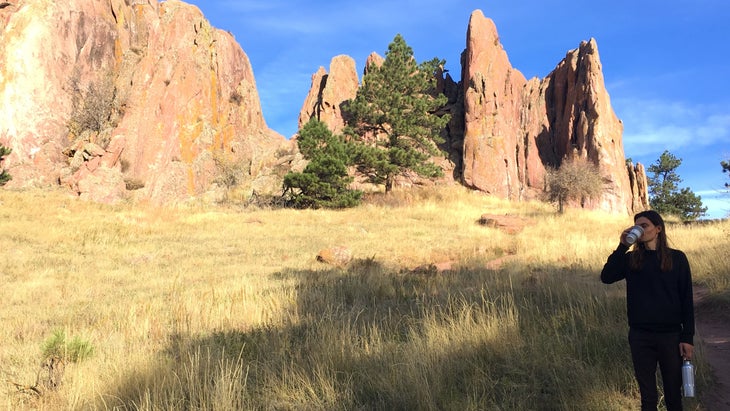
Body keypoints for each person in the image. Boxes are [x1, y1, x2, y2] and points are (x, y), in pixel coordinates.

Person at [600, 210, 695, 411]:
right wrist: (622, 245)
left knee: (673, 396)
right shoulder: (631, 259)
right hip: (640, 336)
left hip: (670, 336)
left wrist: (687, 337)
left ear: (658, 229)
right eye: (636, 226)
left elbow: (687, 299)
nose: (639, 230)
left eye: (644, 226)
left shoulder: (677, 258)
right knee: (648, 398)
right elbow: (606, 277)